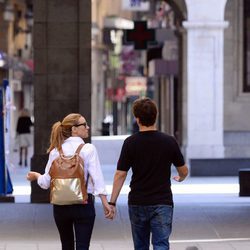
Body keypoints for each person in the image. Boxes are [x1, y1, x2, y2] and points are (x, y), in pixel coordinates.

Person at [109, 97, 188, 250]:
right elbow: (183, 170)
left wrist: (112, 202)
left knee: (140, 246)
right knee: (161, 245)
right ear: (156, 116)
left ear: (137, 119)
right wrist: (181, 177)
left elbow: (120, 174)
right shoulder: (169, 141)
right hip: (162, 202)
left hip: (138, 201)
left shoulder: (130, 142)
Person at [26, 113, 113, 250]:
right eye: (84, 125)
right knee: (83, 246)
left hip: (60, 207)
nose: (88, 127)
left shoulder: (56, 151)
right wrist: (105, 203)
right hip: (84, 204)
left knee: (66, 245)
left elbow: (45, 183)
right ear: (74, 129)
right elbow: (97, 178)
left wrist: (36, 176)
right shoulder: (88, 149)